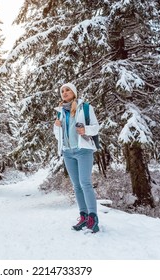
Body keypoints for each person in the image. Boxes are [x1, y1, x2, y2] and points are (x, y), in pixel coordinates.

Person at [53, 82, 100, 233]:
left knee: (85, 183)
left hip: (83, 150)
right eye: (62, 91)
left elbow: (96, 127)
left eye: (67, 90)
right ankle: (84, 216)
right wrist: (57, 126)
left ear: (74, 92)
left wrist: (85, 129)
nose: (64, 93)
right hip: (68, 152)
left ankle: (93, 218)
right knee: (76, 186)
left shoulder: (85, 107)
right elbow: (58, 136)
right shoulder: (60, 112)